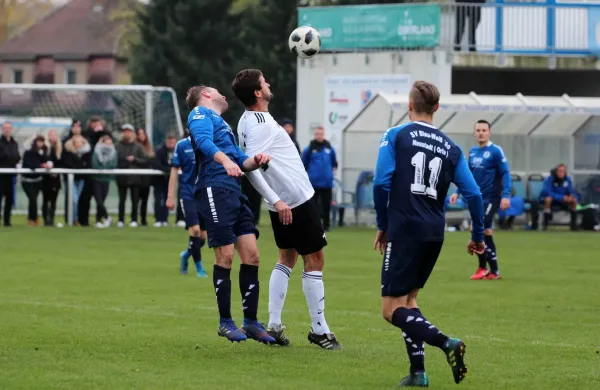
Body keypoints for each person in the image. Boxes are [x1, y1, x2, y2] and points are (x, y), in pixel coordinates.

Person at [373, 81, 485, 387]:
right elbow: (474, 195)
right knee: (409, 301)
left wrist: (383, 224)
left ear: (409, 106)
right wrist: (478, 236)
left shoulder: (395, 135)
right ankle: (418, 373)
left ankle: (447, 343)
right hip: (434, 233)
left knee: (390, 309)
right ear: (437, 108)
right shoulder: (452, 147)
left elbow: (381, 183)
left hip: (405, 229)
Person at [232, 68, 341, 350]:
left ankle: (275, 325)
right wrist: (277, 200)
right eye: (264, 82)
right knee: (315, 260)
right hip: (295, 199)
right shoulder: (260, 125)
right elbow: (250, 169)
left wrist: (274, 200)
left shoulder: (247, 120)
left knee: (287, 257)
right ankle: (320, 330)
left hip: (283, 200)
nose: (268, 83)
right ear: (258, 92)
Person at [186, 84, 274, 344]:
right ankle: (225, 322)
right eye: (217, 91)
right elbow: (203, 142)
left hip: (234, 192)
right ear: (205, 95)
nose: (224, 95)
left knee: (252, 255)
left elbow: (241, 161)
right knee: (225, 256)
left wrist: (256, 161)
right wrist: (225, 162)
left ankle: (251, 322)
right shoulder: (200, 114)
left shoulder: (223, 125)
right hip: (214, 187)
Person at [449, 119, 511, 280]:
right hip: (477, 199)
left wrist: (506, 195)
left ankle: (484, 267)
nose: (481, 133)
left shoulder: (496, 151)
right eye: (478, 130)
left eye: (484, 130)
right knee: (486, 231)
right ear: (474, 133)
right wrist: (458, 192)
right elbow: (467, 175)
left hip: (492, 197)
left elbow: (505, 173)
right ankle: (491, 271)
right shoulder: (473, 152)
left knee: (479, 228)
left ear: (489, 132)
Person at [166, 134, 207, 277]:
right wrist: (170, 196)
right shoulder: (182, 145)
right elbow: (174, 171)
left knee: (202, 237)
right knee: (195, 230)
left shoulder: (208, 143)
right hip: (188, 194)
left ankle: (186, 254)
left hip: (205, 195)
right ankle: (199, 268)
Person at [302, 126, 338, 231]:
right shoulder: (309, 149)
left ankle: (326, 225)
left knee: (326, 205)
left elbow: (334, 162)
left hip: (327, 182)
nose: (319, 136)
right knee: (313, 205)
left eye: (321, 134)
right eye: (317, 134)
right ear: (314, 135)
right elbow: (304, 163)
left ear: (324, 135)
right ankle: (314, 225)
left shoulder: (329, 148)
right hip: (314, 182)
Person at [115, 124, 149, 228]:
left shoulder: (138, 146)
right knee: (122, 200)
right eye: (125, 131)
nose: (127, 133)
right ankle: (121, 220)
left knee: (135, 200)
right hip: (122, 177)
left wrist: (135, 159)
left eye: (129, 131)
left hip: (135, 177)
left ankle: (134, 219)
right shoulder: (117, 146)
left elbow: (145, 160)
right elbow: (115, 160)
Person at [62, 135, 92, 225]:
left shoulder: (86, 153)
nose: (78, 144)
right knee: (74, 200)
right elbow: (70, 164)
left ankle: (76, 219)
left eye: (80, 142)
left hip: (81, 179)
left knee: (77, 200)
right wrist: (81, 165)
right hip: (71, 179)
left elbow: (87, 165)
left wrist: (81, 165)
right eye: (76, 142)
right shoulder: (68, 152)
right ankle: (74, 220)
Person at [540, 163, 578, 231]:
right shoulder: (549, 179)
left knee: (574, 201)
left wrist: (571, 197)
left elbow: (571, 191)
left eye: (563, 171)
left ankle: (573, 225)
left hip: (563, 200)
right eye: (559, 171)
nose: (561, 173)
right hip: (552, 200)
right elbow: (548, 192)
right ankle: (545, 225)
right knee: (548, 199)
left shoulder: (568, 179)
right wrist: (562, 197)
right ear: (556, 171)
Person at [22, 135, 49, 226]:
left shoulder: (43, 152)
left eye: (42, 141)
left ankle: (31, 218)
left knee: (33, 200)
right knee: (33, 199)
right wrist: (42, 165)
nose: (40, 143)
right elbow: (31, 165)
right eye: (38, 141)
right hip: (27, 180)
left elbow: (46, 161)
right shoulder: (29, 153)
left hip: (37, 180)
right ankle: (34, 218)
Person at [91, 135, 118, 228]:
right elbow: (95, 164)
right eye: (106, 142)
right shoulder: (96, 151)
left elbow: (113, 164)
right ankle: (106, 217)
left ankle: (99, 220)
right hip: (97, 179)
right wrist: (103, 169)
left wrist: (104, 169)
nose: (108, 144)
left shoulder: (114, 152)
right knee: (99, 200)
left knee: (102, 200)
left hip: (106, 179)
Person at [153, 133, 178, 227]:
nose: (170, 143)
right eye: (169, 141)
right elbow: (156, 164)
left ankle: (165, 219)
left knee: (169, 198)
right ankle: (158, 219)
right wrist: (170, 170)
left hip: (170, 180)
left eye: (172, 141)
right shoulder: (160, 151)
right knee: (158, 198)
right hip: (159, 179)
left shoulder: (178, 151)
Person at [0, 121, 20, 227]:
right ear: (2, 129)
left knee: (9, 199)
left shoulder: (14, 143)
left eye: (9, 128)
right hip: (1, 175)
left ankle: (7, 221)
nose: (7, 130)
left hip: (11, 175)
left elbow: (16, 157)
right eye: (5, 128)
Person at [43, 129, 62, 227]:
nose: (52, 137)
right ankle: (46, 220)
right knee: (46, 200)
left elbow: (61, 162)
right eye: (50, 135)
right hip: (46, 179)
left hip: (56, 179)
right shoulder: (45, 148)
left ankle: (52, 219)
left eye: (54, 135)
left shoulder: (59, 149)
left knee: (54, 201)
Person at [136, 128, 154, 226]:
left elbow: (149, 160)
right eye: (139, 134)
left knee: (144, 199)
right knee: (136, 199)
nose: (141, 136)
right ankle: (134, 219)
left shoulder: (149, 147)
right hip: (137, 177)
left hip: (146, 178)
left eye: (143, 134)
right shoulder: (135, 146)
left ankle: (143, 219)